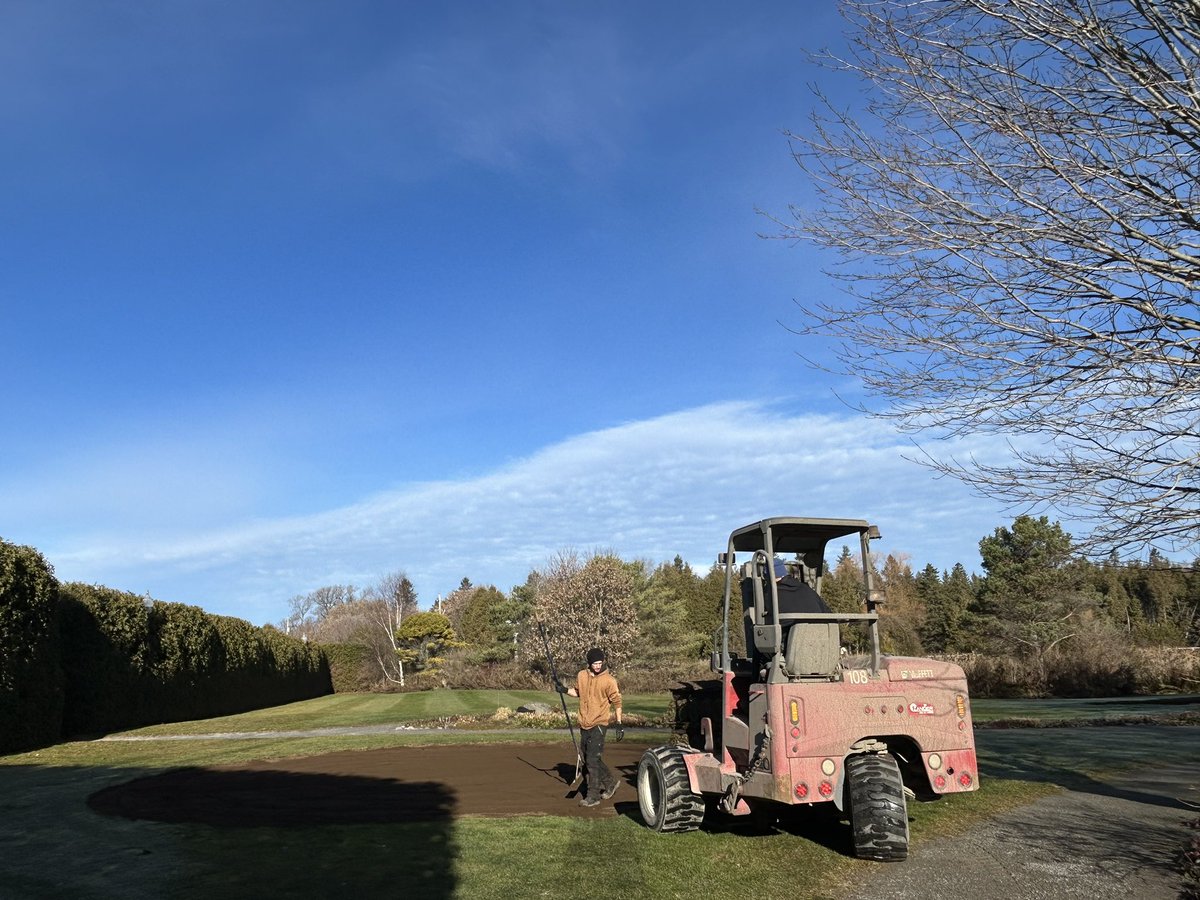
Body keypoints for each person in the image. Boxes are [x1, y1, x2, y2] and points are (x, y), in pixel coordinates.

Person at [556, 647, 624, 807]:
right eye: (595, 663)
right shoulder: (582, 675)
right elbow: (578, 692)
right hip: (584, 723)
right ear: (589, 663)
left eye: (600, 663)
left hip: (599, 723)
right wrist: (564, 690)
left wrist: (619, 723)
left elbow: (617, 702)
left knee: (592, 760)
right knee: (588, 759)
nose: (598, 666)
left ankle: (593, 796)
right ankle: (610, 783)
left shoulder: (609, 681)